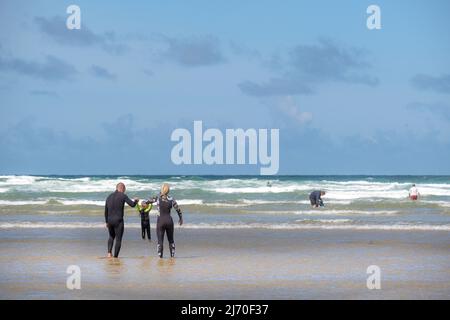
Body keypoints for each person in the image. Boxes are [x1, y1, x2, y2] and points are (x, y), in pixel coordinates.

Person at [146, 183, 183, 258]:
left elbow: (147, 201)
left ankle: (160, 258)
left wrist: (144, 203)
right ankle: (172, 257)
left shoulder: (157, 198)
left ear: (162, 189)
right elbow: (178, 209)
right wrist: (180, 218)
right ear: (168, 190)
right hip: (169, 221)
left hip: (160, 221)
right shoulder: (171, 199)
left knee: (160, 241)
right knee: (171, 240)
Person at [104, 182, 138, 258]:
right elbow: (132, 205)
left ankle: (109, 253)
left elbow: (105, 211)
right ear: (122, 188)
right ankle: (115, 257)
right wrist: (136, 201)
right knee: (118, 239)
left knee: (111, 236)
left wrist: (106, 221)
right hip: (118, 221)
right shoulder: (123, 195)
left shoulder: (109, 196)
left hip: (109, 221)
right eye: (124, 190)